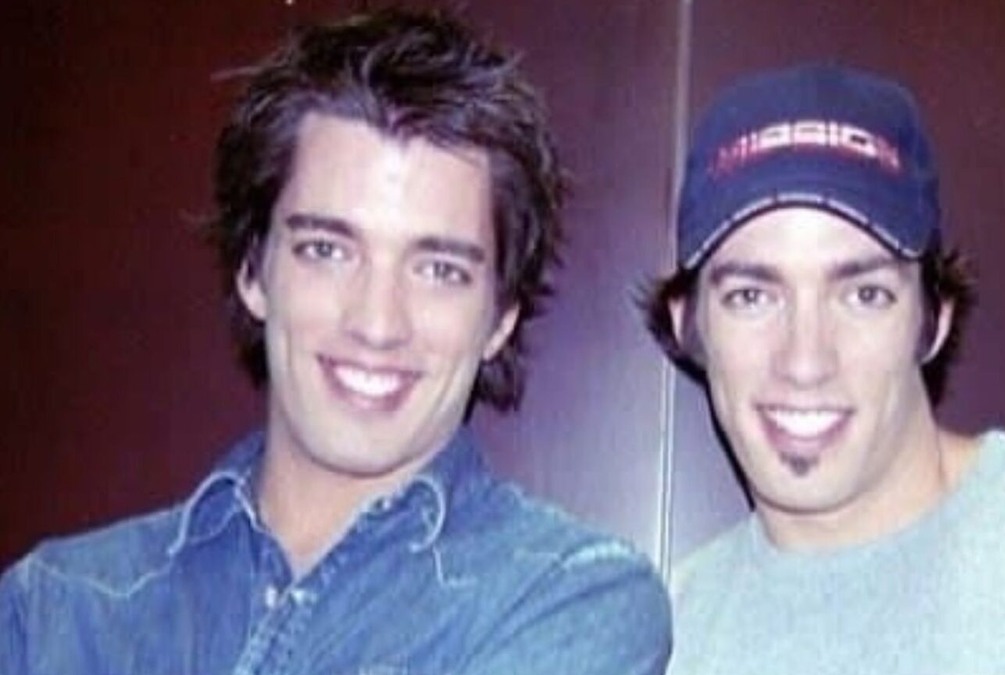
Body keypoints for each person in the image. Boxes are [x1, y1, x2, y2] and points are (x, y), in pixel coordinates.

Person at [1, 7, 670, 674]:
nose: (376, 324)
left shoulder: (571, 597)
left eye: (439, 270)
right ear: (253, 270)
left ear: (500, 318)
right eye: (327, 250)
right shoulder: (55, 607)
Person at [642, 63, 1005, 674]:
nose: (805, 361)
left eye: (864, 295)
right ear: (687, 324)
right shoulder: (664, 636)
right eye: (752, 296)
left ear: (933, 320)